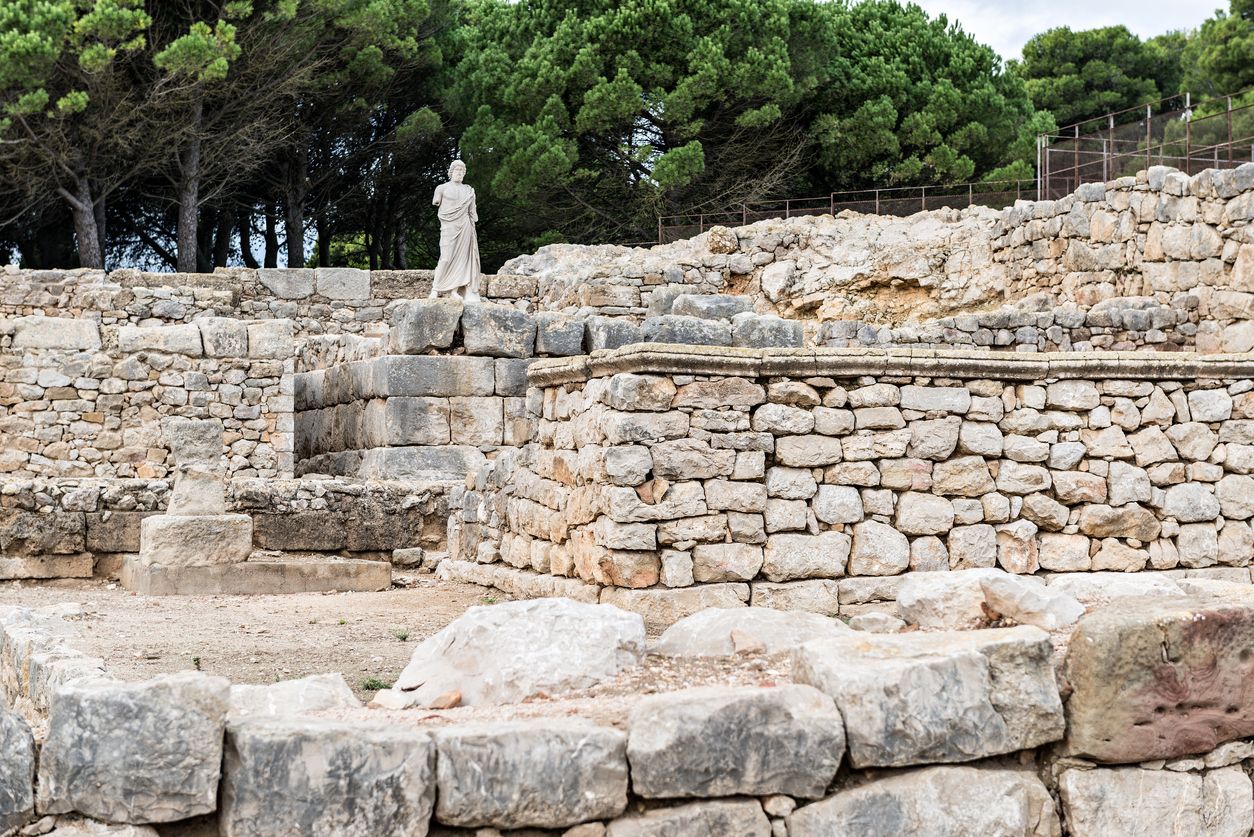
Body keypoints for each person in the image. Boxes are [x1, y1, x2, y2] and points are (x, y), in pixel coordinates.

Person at [430, 159, 482, 301]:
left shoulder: (469, 190)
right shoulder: (442, 188)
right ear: (451, 172)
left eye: (462, 171)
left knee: (461, 259)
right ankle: (435, 288)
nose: (459, 173)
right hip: (449, 226)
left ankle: (454, 290)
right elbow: (436, 202)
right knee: (446, 258)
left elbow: (473, 213)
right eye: (457, 170)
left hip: (465, 226)